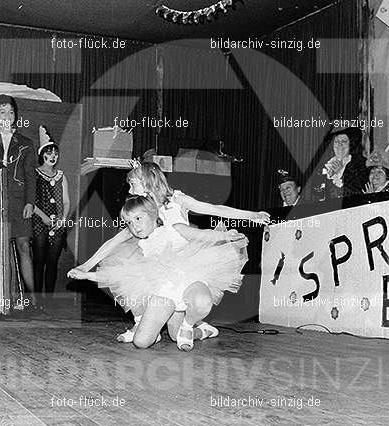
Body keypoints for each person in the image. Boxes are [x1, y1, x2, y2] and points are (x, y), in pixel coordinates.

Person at [69, 161, 270, 342]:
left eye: (133, 184)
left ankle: (199, 328)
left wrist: (251, 215)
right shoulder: (142, 212)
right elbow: (113, 241)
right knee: (132, 274)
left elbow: (214, 209)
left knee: (176, 333)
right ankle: (142, 324)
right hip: (157, 268)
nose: (130, 190)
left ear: (147, 181)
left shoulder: (177, 201)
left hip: (186, 266)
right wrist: (86, 265)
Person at [68, 195, 248, 351]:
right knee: (142, 342)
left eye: (138, 218)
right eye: (129, 222)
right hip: (164, 293)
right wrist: (87, 275)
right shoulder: (140, 245)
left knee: (201, 303)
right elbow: (123, 275)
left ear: (153, 214)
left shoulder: (174, 228)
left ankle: (190, 325)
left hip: (188, 282)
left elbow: (202, 235)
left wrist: (226, 236)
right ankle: (197, 331)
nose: (134, 226)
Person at [0, 94, 37, 307]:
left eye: (11, 112)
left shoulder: (26, 143)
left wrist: (30, 202)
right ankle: (8, 298)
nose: (7, 116)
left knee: (23, 246)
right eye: (2, 112)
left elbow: (30, 176)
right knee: (4, 250)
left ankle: (32, 298)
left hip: (20, 203)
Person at [32, 126, 70, 301]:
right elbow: (30, 201)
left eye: (55, 153)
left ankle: (48, 301)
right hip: (40, 222)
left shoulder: (62, 176)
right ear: (42, 154)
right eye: (49, 153)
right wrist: (43, 217)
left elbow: (66, 200)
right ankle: (37, 300)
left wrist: (63, 219)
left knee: (52, 263)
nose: (53, 156)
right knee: (39, 262)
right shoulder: (35, 174)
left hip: (58, 224)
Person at [320, 127, 368, 198]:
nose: (340, 144)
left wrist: (338, 174)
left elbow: (359, 192)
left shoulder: (360, 164)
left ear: (350, 144)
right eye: (336, 141)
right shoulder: (324, 165)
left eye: (344, 141)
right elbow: (315, 191)